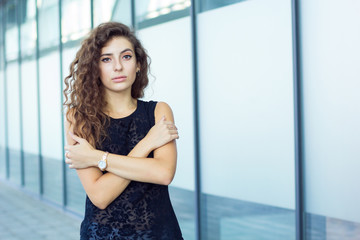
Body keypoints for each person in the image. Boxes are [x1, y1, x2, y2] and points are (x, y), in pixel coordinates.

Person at [63, 22, 183, 239]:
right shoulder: (79, 118)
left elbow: (163, 173)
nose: (117, 67)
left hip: (158, 233)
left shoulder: (159, 111)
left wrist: (96, 157)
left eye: (126, 56)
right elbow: (100, 196)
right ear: (94, 68)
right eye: (106, 59)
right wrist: (147, 144)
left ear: (138, 64)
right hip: (102, 234)